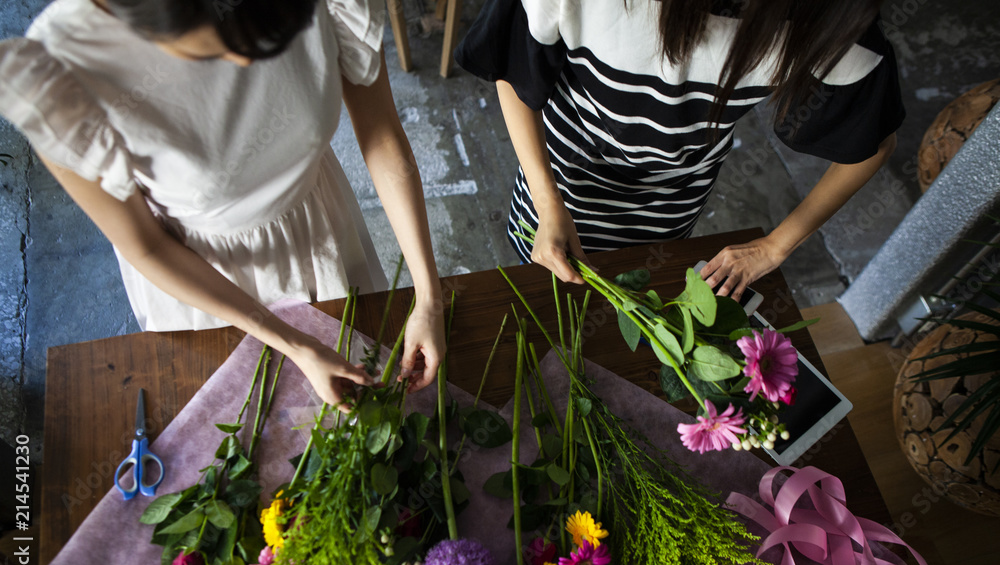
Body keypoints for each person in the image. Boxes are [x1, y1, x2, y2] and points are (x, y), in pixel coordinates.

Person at [0, 0, 446, 409]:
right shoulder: (61, 76)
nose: (248, 62)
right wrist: (293, 344)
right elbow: (147, 248)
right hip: (205, 282)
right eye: (216, 52)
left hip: (323, 226)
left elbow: (380, 129)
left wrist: (428, 295)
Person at [456, 0, 904, 300]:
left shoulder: (830, 19)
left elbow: (871, 144)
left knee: (640, 292)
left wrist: (774, 248)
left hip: (675, 201)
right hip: (558, 178)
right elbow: (514, 69)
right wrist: (547, 201)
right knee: (543, 291)